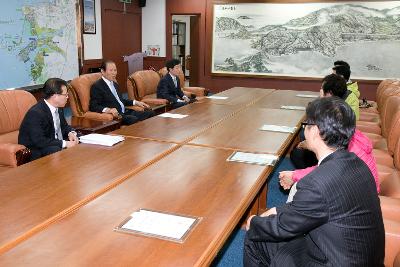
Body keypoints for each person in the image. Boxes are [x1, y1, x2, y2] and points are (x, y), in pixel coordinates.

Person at [244, 97, 385, 267]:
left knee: (255, 237)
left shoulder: (317, 183)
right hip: (357, 255)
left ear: (316, 131)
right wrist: (276, 210)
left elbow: (284, 227)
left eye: (306, 125)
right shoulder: (357, 164)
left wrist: (254, 221)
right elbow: (313, 207)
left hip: (332, 260)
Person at [19, 78, 79, 160]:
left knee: (79, 139)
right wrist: (64, 143)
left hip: (52, 143)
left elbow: (64, 126)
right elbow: (40, 141)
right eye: (65, 95)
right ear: (55, 96)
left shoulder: (58, 107)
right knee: (56, 150)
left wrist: (70, 133)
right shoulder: (36, 113)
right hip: (36, 149)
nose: (67, 97)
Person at [89, 60, 155, 125]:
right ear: (103, 71)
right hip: (117, 115)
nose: (114, 73)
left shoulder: (115, 84)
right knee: (133, 119)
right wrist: (108, 110)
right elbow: (93, 106)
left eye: (115, 70)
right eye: (111, 70)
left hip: (125, 112)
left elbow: (121, 100)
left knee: (150, 113)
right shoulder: (97, 86)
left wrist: (136, 102)